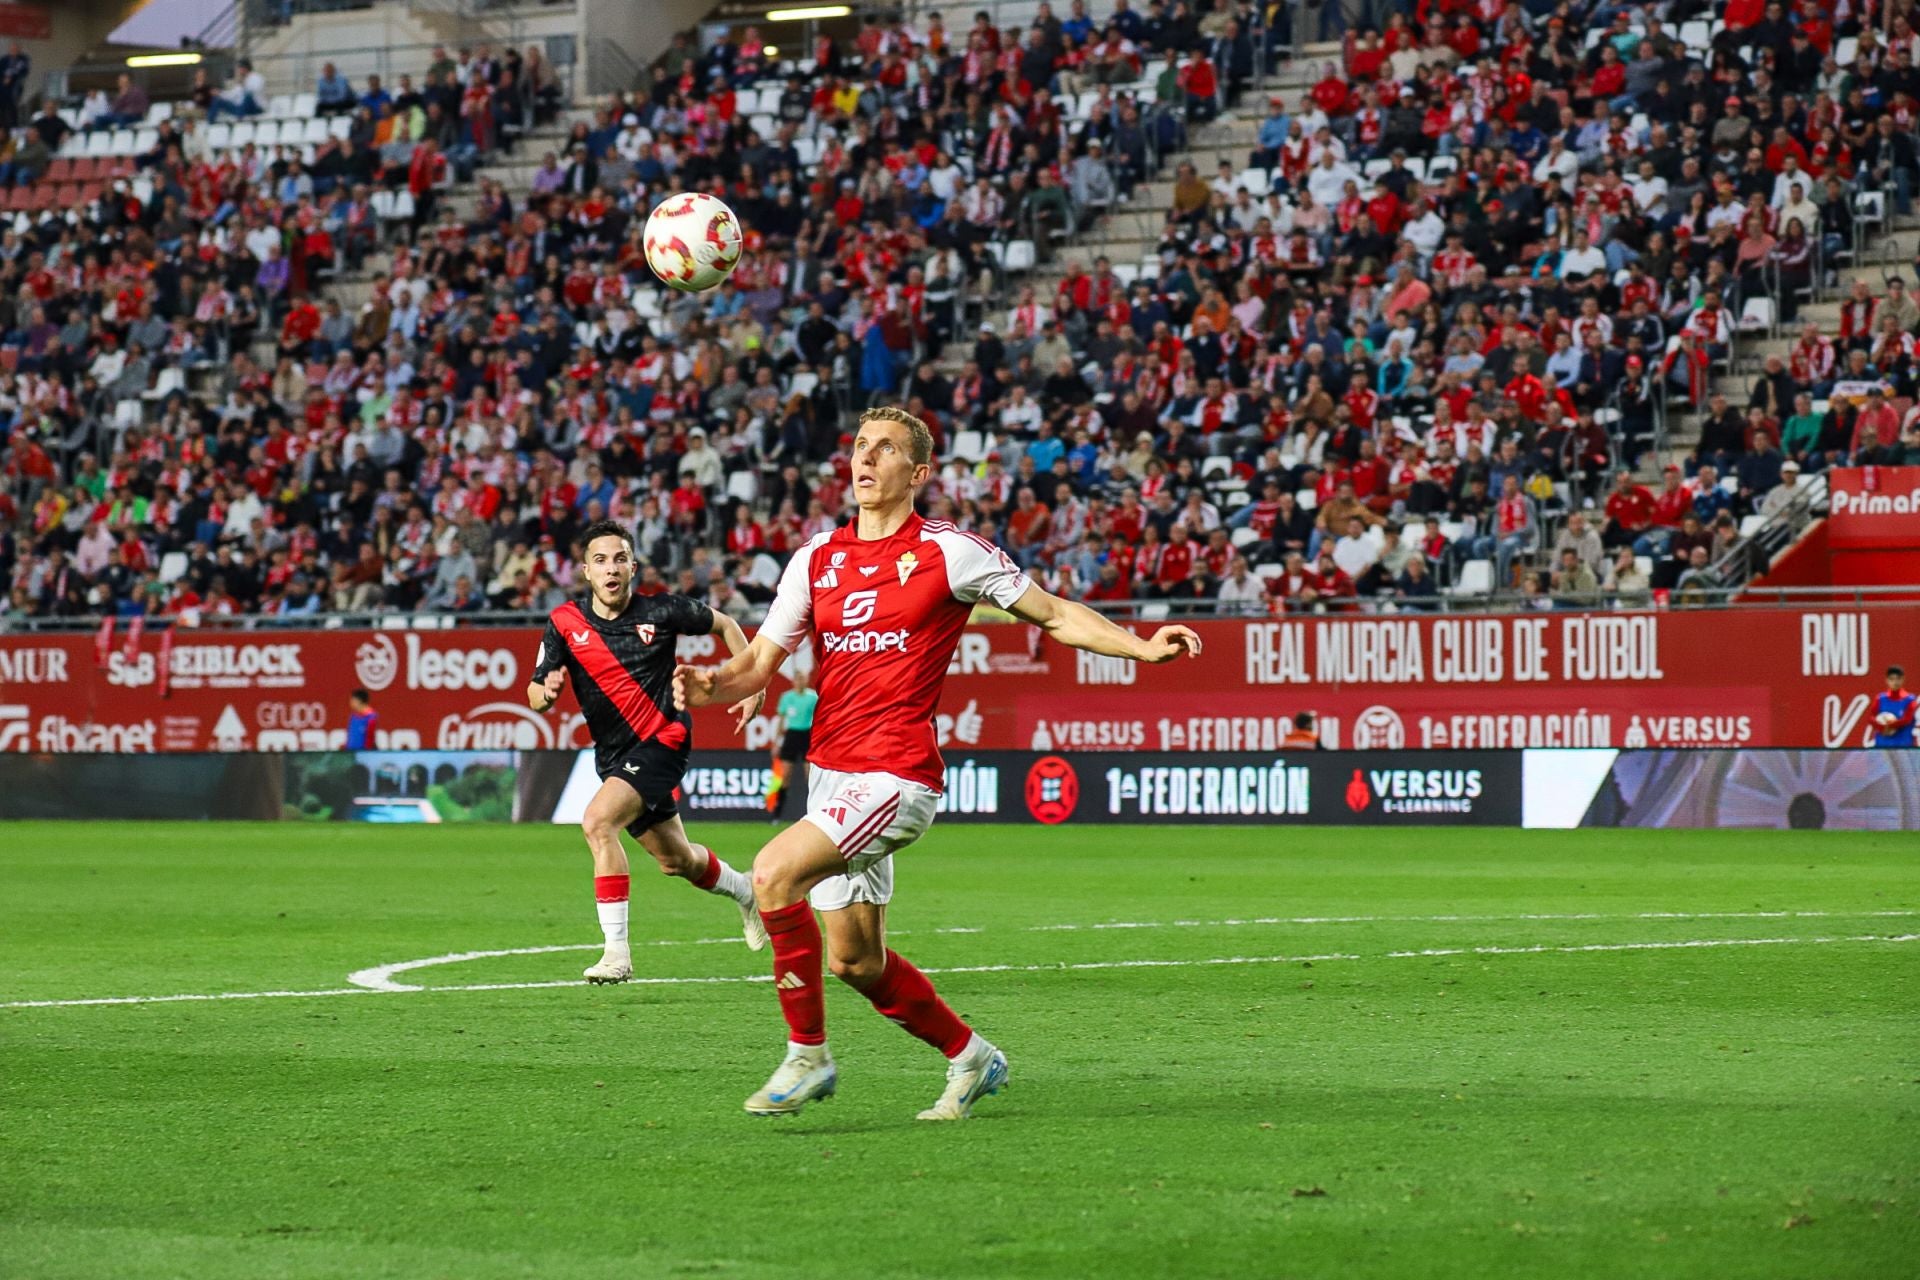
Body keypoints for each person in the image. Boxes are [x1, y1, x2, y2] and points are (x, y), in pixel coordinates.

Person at [675, 407, 1202, 1120]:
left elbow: (1050, 614)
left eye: (885, 449)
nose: (865, 459)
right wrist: (712, 686)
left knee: (771, 874)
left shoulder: (950, 552)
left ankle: (808, 1057)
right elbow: (757, 664)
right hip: (830, 776)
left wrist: (1139, 647)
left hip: (895, 776)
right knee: (855, 962)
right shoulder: (816, 558)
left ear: (917, 473)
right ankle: (973, 1057)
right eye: (859, 445)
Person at [527, 519, 768, 984]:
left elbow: (728, 624)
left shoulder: (662, 611)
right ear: (586, 571)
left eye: (619, 558)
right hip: (613, 758)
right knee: (676, 860)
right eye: (600, 560)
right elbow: (534, 692)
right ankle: (745, 890)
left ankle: (616, 953)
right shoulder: (564, 623)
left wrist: (751, 682)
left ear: (633, 566)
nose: (610, 568)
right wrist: (549, 691)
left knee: (598, 822)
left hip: (664, 739)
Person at [766, 665, 817, 820]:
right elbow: (781, 721)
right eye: (797, 679)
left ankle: (814, 812)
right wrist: (776, 742)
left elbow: (819, 719)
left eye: (802, 678)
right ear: (793, 681)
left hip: (807, 735)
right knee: (785, 775)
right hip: (791, 735)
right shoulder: (787, 697)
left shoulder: (813, 697)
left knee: (810, 776)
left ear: (806, 680)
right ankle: (777, 813)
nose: (800, 681)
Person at [1872, 665, 1916, 748]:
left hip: (1903, 747)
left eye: (1898, 679)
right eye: (1891, 679)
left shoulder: (1910, 700)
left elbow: (1907, 719)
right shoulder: (1880, 699)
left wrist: (1889, 725)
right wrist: (1881, 727)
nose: (1895, 682)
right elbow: (1871, 718)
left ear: (1903, 679)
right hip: (1882, 746)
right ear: (1886, 680)